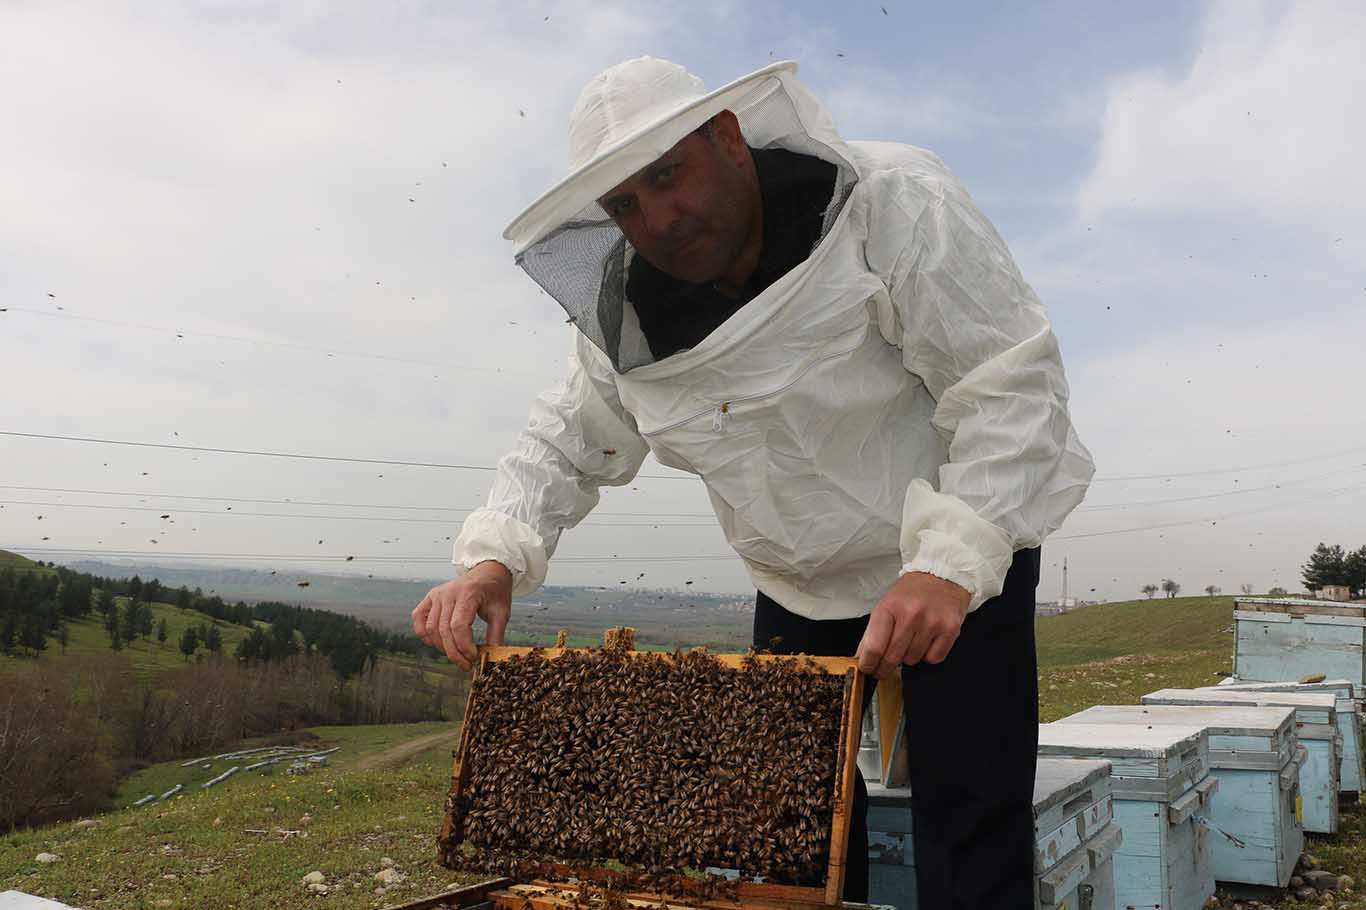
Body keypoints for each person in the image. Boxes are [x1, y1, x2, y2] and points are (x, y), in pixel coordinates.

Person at [413, 56, 1094, 908]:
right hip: (798, 584)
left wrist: (949, 566)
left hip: (956, 567)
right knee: (783, 842)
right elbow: (568, 433)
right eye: (626, 203)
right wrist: (494, 557)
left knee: (968, 825)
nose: (657, 219)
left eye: (668, 175)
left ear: (728, 138)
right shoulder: (630, 312)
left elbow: (1008, 381)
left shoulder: (892, 203)